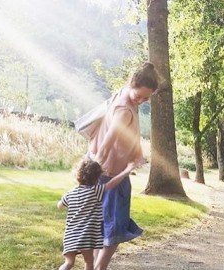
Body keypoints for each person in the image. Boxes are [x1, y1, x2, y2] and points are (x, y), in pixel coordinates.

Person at [89, 62, 159, 270]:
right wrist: (94, 170)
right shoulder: (124, 111)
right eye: (138, 96)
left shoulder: (121, 94)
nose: (141, 101)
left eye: (146, 98)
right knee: (115, 227)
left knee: (101, 225)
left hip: (108, 172)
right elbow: (106, 145)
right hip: (110, 174)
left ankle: (92, 267)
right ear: (132, 85)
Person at [57, 159, 136, 270]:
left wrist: (61, 203)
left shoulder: (70, 194)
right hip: (87, 237)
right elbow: (112, 183)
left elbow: (60, 205)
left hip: (70, 236)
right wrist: (126, 170)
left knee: (68, 263)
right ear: (98, 178)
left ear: (77, 175)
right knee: (89, 263)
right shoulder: (96, 191)